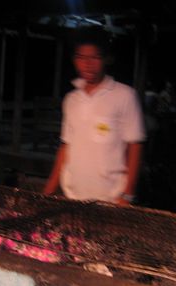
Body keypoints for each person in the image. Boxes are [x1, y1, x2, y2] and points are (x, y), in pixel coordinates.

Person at [43, 30, 145, 205]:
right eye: (81, 58)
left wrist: (128, 195)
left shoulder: (125, 95)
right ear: (75, 60)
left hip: (110, 199)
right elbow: (66, 145)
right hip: (72, 196)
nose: (87, 64)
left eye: (95, 57)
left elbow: (135, 145)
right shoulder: (71, 100)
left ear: (106, 59)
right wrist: (49, 190)